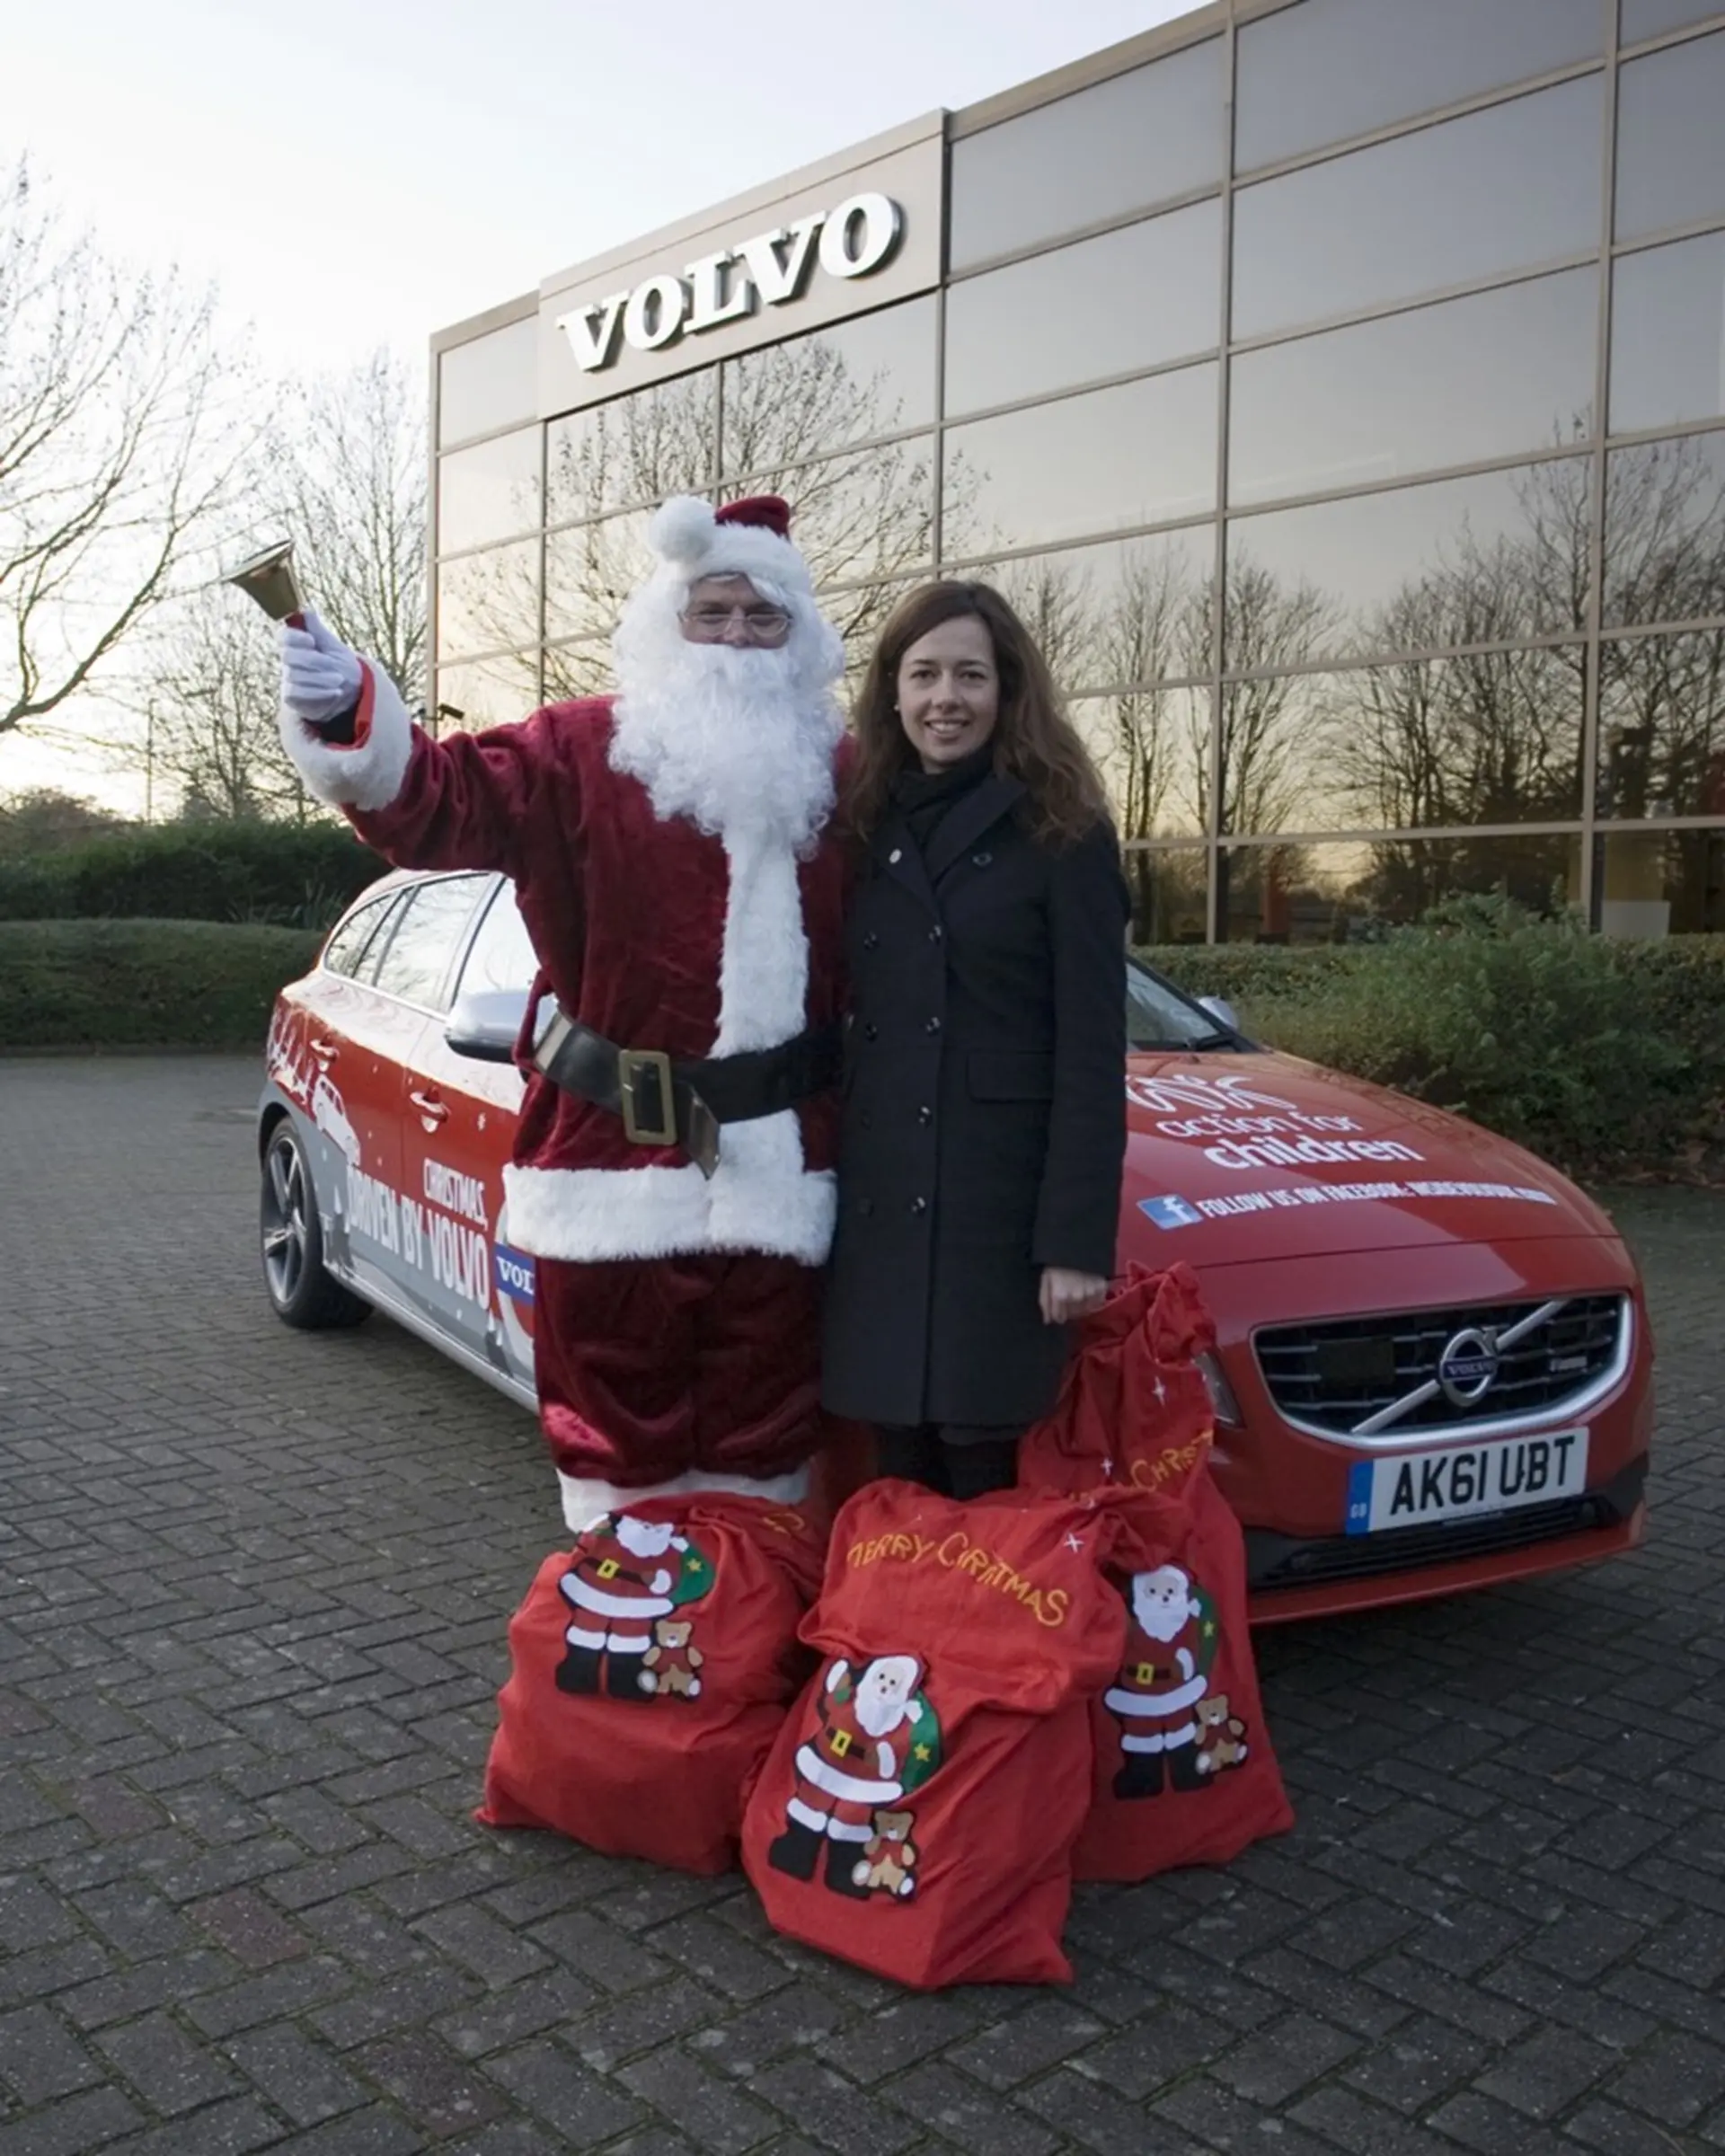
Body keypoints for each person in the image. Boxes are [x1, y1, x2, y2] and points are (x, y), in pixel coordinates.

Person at [276, 495, 851, 1531]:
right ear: (665, 625)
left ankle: (746, 1652)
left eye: (764, 619)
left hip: (786, 1179)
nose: (736, 639)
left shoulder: (845, 779)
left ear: (802, 637)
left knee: (768, 1452)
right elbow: (438, 800)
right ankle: (626, 1657)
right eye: (711, 612)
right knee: (617, 1464)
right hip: (608, 1173)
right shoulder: (579, 754)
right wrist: (351, 714)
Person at [820, 580, 1129, 1500]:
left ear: (1008, 690)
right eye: (922, 675)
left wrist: (1073, 1242)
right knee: (894, 1468)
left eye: (969, 674)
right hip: (879, 1206)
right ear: (892, 691)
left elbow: (1089, 1051)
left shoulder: (1061, 828)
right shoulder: (861, 821)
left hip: (993, 1215)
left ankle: (984, 1647)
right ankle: (900, 1644)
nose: (944, 698)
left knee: (984, 1466)